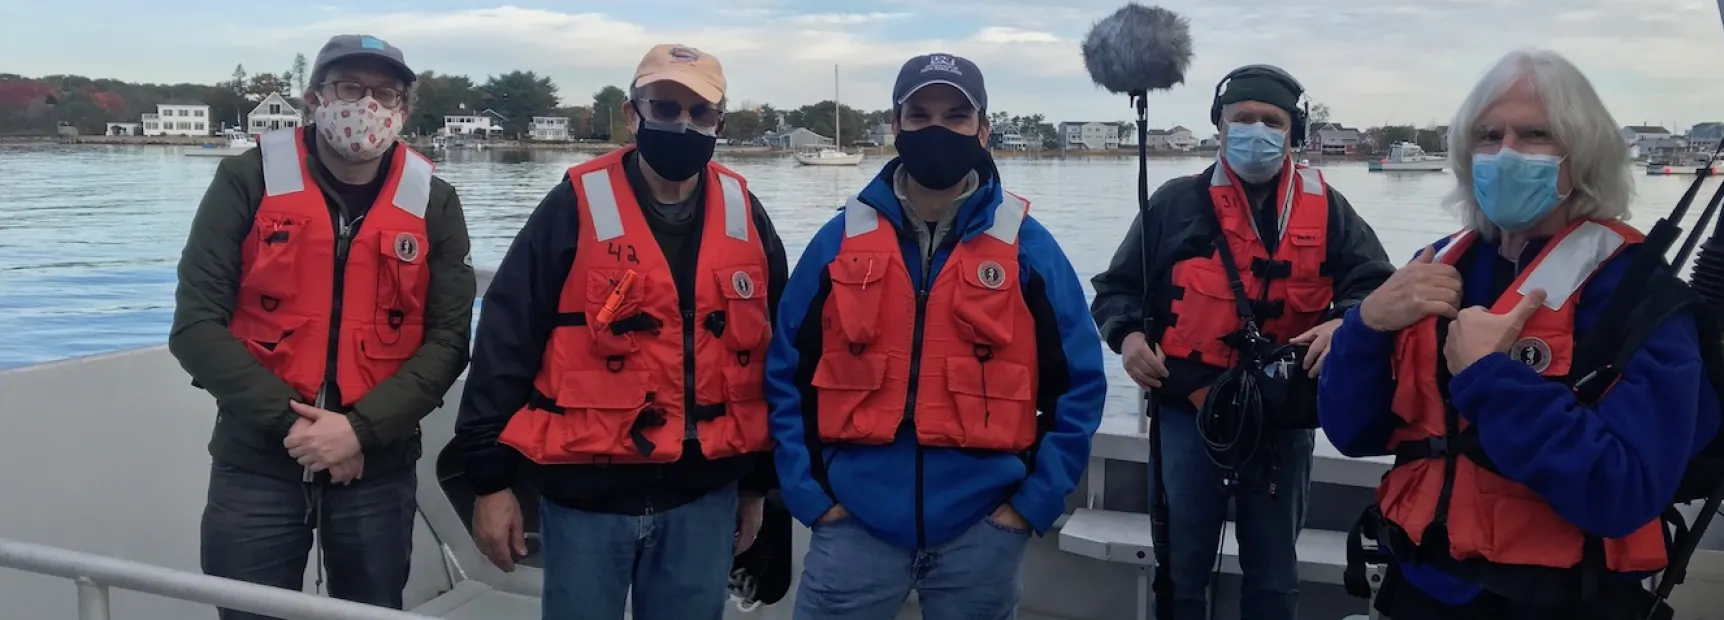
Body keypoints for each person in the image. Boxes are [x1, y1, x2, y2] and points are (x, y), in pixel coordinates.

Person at [1319, 48, 1724, 619]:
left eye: (1535, 134)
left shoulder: (1638, 295)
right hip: (1415, 586)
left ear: (1581, 154)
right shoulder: (1435, 267)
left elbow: (1625, 492)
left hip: (1558, 601)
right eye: (1488, 136)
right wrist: (1365, 326)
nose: (1506, 153)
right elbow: (1351, 431)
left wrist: (1491, 379)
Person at [767, 53, 1108, 620]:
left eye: (955, 115)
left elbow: (1079, 386)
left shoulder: (1029, 247)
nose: (937, 129)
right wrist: (809, 496)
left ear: (983, 129)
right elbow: (785, 375)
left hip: (984, 529)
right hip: (852, 525)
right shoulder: (839, 240)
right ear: (895, 126)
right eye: (919, 115)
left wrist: (1030, 505)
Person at [454, 44, 788, 620]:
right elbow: (505, 341)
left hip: (704, 498)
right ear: (632, 115)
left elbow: (774, 356)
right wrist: (490, 482)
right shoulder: (572, 206)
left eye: (699, 112)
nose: (682, 124)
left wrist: (759, 485)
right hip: (586, 496)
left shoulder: (747, 213)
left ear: (719, 123)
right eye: (664, 107)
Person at [170, 34, 475, 616]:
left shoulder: (434, 201)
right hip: (256, 460)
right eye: (349, 88)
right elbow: (195, 326)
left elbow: (449, 341)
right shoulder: (247, 179)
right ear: (314, 98)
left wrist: (358, 430)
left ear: (404, 110)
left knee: (372, 607)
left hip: (378, 466)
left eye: (386, 93)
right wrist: (306, 431)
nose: (368, 106)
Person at [1091, 64, 1395, 620]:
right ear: (1220, 126)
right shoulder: (1174, 203)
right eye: (1243, 119)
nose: (1257, 130)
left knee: (1275, 578)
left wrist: (1345, 323)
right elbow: (1116, 291)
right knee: (1179, 574)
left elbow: (1377, 285)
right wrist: (1129, 338)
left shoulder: (1329, 209)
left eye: (1271, 121)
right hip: (1188, 411)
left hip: (1280, 420)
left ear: (1293, 132)